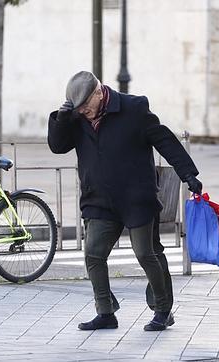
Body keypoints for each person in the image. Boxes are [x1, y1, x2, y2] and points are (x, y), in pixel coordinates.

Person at [47, 71, 203, 331]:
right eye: (79, 108)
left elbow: (164, 139)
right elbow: (58, 146)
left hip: (136, 198)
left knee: (146, 253)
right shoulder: (76, 116)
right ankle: (106, 312)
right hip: (98, 198)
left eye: (87, 106)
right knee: (94, 254)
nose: (84, 112)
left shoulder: (134, 108)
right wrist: (61, 120)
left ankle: (163, 310)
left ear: (99, 92)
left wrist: (188, 174)